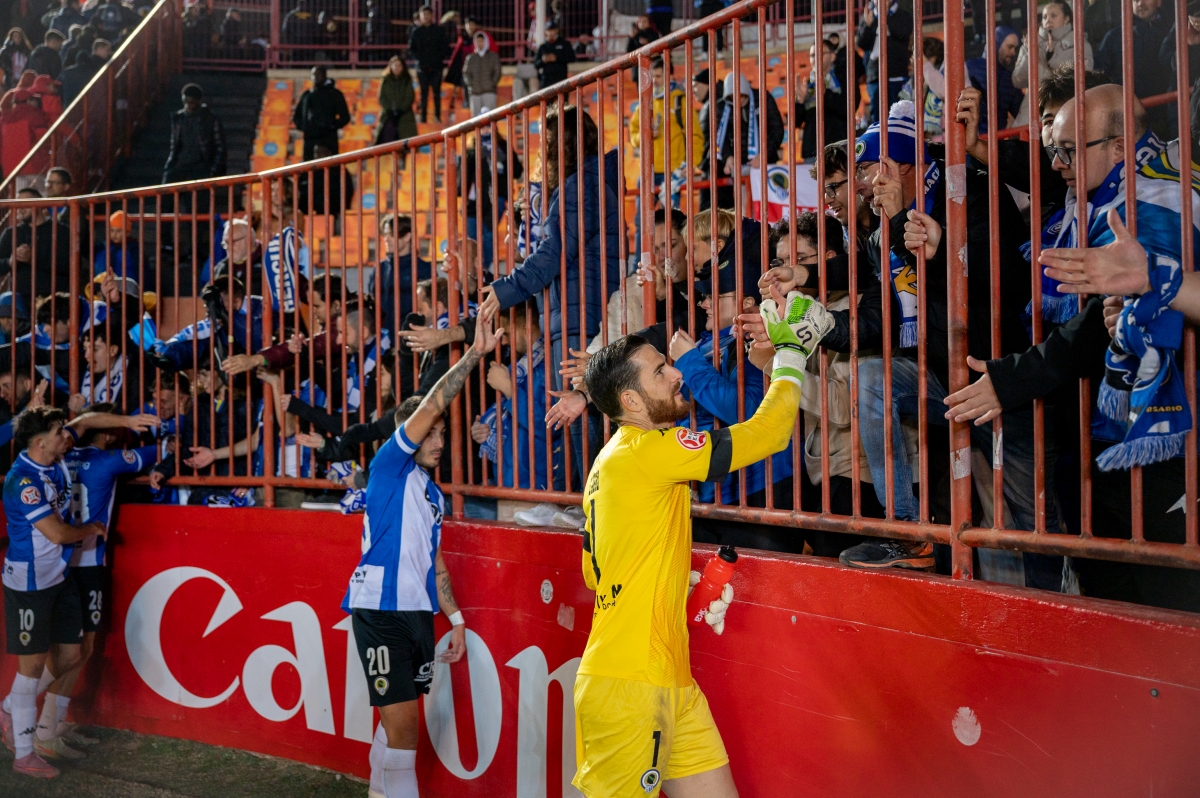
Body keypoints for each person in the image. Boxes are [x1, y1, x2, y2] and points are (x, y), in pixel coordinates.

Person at [948, 86, 1200, 610]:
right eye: (1053, 149)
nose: (1057, 162)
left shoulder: (1152, 199)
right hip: (1116, 430)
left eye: (1068, 149)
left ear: (1118, 143)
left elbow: (1091, 328)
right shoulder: (1101, 196)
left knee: (1162, 592)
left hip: (1169, 439)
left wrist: (1014, 377)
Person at [572, 290, 830, 798]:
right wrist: (792, 356)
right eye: (659, 372)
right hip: (631, 685)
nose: (675, 375)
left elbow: (595, 572)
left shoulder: (609, 462)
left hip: (668, 681)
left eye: (669, 365)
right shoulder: (649, 450)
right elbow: (769, 433)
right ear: (630, 401)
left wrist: (673, 579)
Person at [819, 100, 1032, 571]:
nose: (864, 183)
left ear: (904, 164)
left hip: (998, 374)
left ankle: (1062, 606)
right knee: (872, 377)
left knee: (1023, 515)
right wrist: (813, 292)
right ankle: (906, 531)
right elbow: (878, 302)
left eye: (871, 168)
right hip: (940, 373)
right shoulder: (882, 225)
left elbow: (1010, 280)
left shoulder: (970, 190)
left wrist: (926, 245)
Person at [344, 313, 498, 798]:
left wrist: (454, 619)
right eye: (430, 433)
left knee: (395, 725)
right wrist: (474, 353)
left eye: (440, 434)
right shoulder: (389, 466)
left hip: (417, 614)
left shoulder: (430, 493)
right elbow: (433, 403)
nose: (438, 440)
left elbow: (435, 562)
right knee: (407, 736)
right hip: (381, 611)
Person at [480, 105, 620, 489]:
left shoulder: (581, 186)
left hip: (580, 315)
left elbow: (554, 252)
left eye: (550, 143)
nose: (544, 153)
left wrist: (506, 288)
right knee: (575, 409)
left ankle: (590, 505)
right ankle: (582, 504)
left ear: (565, 145)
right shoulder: (583, 185)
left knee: (581, 410)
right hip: (575, 311)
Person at [0, 406, 105, 778]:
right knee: (30, 670)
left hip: (58, 578)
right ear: (41, 442)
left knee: (71, 654)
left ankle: (12, 706)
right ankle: (25, 753)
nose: (68, 437)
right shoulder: (22, 483)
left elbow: (86, 422)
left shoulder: (53, 455)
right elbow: (58, 534)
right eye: (60, 432)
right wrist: (91, 528)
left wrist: (128, 422)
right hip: (29, 585)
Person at [50, 404, 158, 752]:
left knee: (72, 649)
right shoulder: (107, 461)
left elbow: (79, 423)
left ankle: (51, 725)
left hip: (61, 563)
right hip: (89, 563)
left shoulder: (62, 456)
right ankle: (25, 713)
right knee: (81, 650)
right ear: (109, 432)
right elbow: (163, 452)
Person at [471, 301, 551, 490]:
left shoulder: (552, 367)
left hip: (536, 488)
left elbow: (548, 426)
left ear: (526, 328)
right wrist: (482, 429)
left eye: (505, 333)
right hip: (508, 481)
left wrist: (508, 389)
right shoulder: (518, 368)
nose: (503, 341)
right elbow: (506, 422)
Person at [1096, 0, 1172, 136]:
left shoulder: (1173, 31)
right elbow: (1100, 76)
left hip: (1168, 114)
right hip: (1129, 118)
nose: (1140, 3)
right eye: (1135, 0)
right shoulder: (1114, 36)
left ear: (1159, 2)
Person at [1011, 0, 1091, 125]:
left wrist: (1051, 58)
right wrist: (1030, 53)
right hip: (1030, 120)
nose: (1048, 20)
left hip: (1065, 118)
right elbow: (1017, 81)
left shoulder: (1080, 44)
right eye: (1044, 17)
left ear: (1066, 19)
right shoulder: (1030, 44)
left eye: (1053, 16)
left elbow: (1084, 78)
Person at [712, 73, 785, 209]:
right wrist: (728, 157)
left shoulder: (763, 98)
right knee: (744, 209)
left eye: (740, 95)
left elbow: (777, 129)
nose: (736, 100)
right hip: (739, 168)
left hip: (765, 164)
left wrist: (764, 155)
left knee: (767, 207)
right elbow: (718, 137)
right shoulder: (722, 106)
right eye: (732, 97)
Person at [855, 0, 913, 124]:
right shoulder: (869, 15)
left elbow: (904, 34)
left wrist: (884, 16)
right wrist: (868, 25)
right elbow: (861, 43)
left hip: (897, 75)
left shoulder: (903, 15)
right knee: (878, 118)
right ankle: (880, 143)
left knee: (899, 117)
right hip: (875, 77)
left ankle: (897, 143)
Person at [796, 37, 850, 159]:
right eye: (812, 55)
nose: (815, 58)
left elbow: (847, 110)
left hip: (838, 150)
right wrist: (799, 100)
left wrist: (825, 94)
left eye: (821, 53)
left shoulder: (844, 80)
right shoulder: (806, 85)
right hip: (812, 152)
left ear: (832, 56)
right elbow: (795, 122)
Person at [162, 83, 226, 184]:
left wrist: (212, 171)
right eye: (186, 102)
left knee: (196, 199)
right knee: (165, 197)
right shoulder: (179, 118)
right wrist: (169, 168)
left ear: (198, 101)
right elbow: (174, 146)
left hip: (199, 169)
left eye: (191, 102)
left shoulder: (210, 119)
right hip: (179, 167)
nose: (188, 105)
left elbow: (221, 148)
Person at [965, 26, 1023, 134]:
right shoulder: (970, 67)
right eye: (1010, 47)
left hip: (997, 141)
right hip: (972, 139)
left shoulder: (1010, 78)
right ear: (996, 43)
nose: (1013, 53)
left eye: (1015, 48)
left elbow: (1021, 111)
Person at [292, 65, 350, 161]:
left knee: (330, 167)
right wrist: (305, 127)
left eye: (319, 75)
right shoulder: (306, 95)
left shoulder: (334, 94)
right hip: (310, 140)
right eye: (314, 75)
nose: (316, 78)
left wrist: (331, 126)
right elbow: (297, 117)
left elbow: (345, 117)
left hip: (329, 139)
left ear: (325, 76)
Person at [408, 5, 448, 124]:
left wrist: (439, 59)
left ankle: (437, 116)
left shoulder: (439, 31)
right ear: (420, 16)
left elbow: (445, 47)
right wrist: (420, 60)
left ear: (432, 16)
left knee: (436, 93)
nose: (426, 16)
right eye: (423, 14)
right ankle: (423, 118)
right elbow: (412, 49)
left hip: (436, 68)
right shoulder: (416, 32)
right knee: (423, 94)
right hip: (422, 68)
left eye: (428, 14)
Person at [0, 89, 50, 179]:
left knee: (17, 193)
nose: (36, 103)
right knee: (39, 192)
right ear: (28, 100)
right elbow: (44, 138)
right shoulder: (35, 115)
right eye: (33, 100)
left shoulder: (4, 120)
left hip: (10, 169)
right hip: (34, 167)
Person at [375, 56, 417, 146]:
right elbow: (382, 97)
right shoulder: (385, 80)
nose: (397, 68)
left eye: (399, 66)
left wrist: (400, 110)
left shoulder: (407, 80)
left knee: (405, 143)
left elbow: (409, 97)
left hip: (405, 116)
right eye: (395, 65)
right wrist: (389, 110)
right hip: (388, 115)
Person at [462, 30, 499, 117]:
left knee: (490, 119)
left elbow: (497, 72)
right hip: (475, 93)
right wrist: (471, 85)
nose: (479, 43)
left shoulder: (493, 56)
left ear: (486, 41)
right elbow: (466, 73)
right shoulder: (471, 58)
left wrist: (491, 84)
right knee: (475, 122)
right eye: (477, 41)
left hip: (489, 92)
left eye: (481, 41)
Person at [534, 21, 573, 89]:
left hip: (561, 78)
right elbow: (536, 64)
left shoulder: (564, 44)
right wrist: (543, 60)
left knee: (563, 99)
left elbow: (571, 57)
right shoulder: (543, 47)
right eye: (549, 30)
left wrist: (556, 58)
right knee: (547, 99)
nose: (551, 32)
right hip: (547, 80)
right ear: (546, 32)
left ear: (556, 30)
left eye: (553, 30)